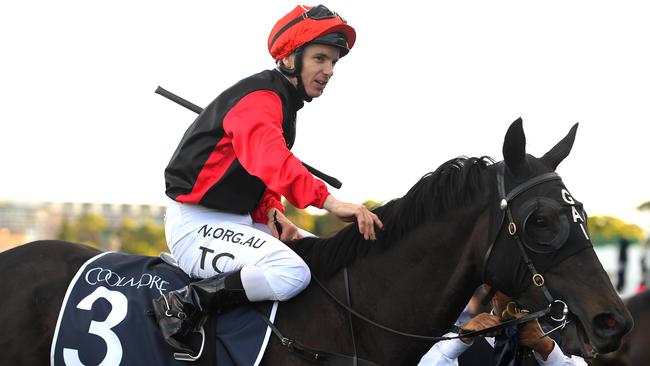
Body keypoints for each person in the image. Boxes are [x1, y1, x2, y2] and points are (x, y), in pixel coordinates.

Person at [152, 4, 383, 354]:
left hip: (238, 222)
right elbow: (272, 160)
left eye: (333, 62)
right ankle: (185, 303)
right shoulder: (261, 99)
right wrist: (329, 202)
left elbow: (255, 175)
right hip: (194, 227)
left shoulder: (282, 101)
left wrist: (272, 212)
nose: (329, 70)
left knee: (322, 256)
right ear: (291, 58)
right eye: (320, 58)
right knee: (293, 273)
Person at [418, 289, 587, 366]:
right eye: (511, 285)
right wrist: (461, 340)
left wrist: (547, 350)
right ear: (490, 290)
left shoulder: (556, 340)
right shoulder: (457, 342)